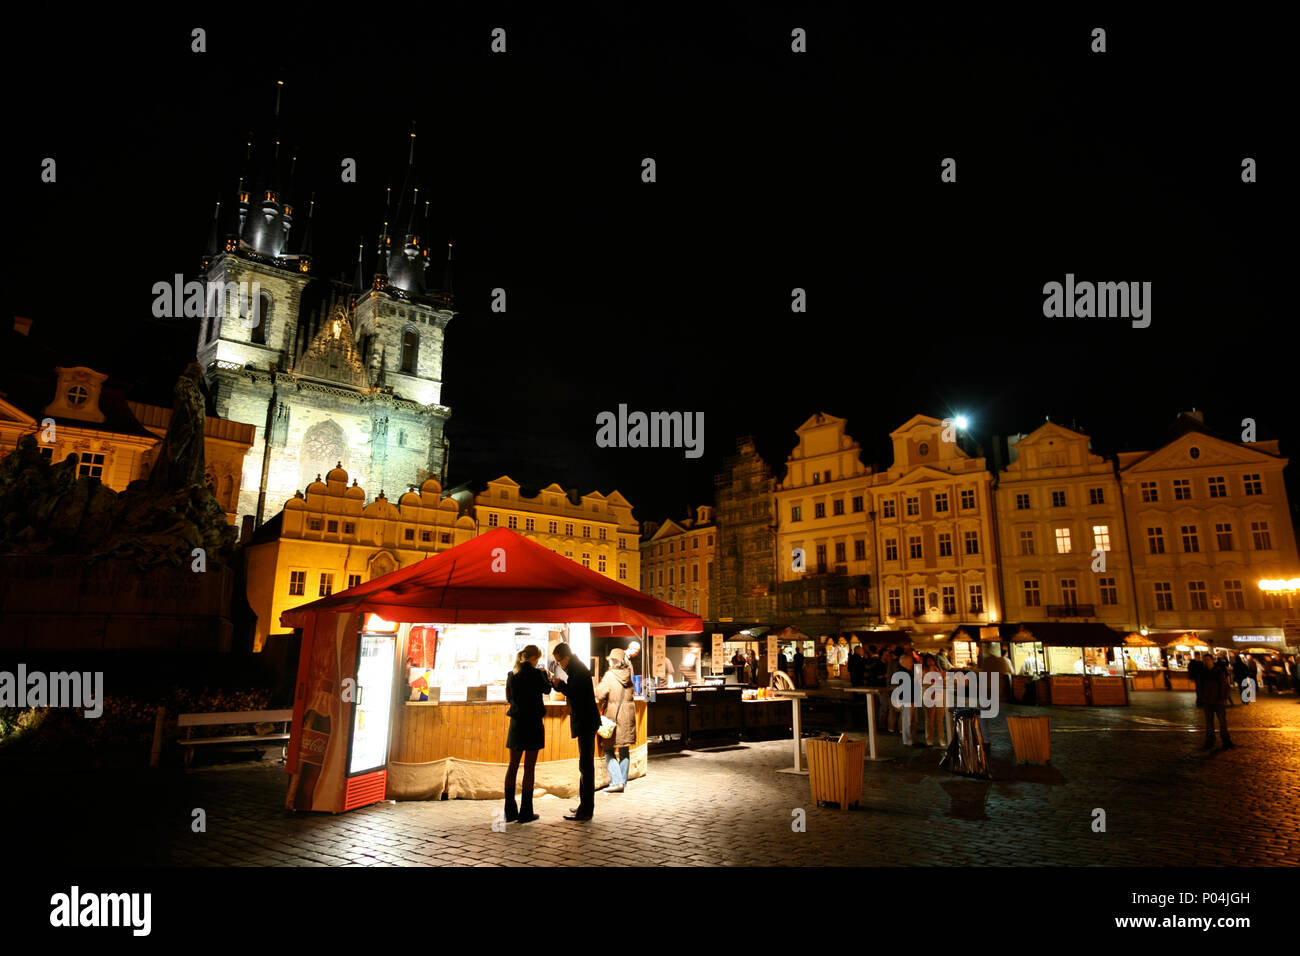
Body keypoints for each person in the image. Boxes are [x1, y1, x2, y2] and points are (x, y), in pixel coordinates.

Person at [550, 643, 601, 821]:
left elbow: (575, 694)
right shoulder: (577, 669)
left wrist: (560, 685)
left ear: (566, 657)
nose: (559, 664)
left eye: (559, 661)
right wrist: (559, 685)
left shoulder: (578, 671)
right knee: (584, 765)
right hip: (587, 722)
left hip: (586, 722)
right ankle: (584, 806)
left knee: (586, 766)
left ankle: (586, 810)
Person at [503, 645, 552, 824]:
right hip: (533, 724)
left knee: (513, 766)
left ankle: (509, 810)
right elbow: (548, 690)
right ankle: (526, 811)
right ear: (534, 658)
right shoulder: (537, 674)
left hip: (516, 724)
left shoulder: (512, 675)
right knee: (529, 768)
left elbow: (508, 697)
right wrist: (546, 675)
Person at [595, 648, 636, 793]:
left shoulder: (610, 675)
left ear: (613, 661)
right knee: (624, 749)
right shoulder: (629, 675)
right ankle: (622, 782)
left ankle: (617, 782)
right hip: (628, 717)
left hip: (614, 716)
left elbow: (599, 694)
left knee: (608, 750)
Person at [1195, 652, 1234, 750]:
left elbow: (1224, 686)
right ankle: (1210, 741)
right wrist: (1201, 697)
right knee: (1209, 723)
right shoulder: (1202, 673)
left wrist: (1222, 698)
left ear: (1212, 660)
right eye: (1204, 660)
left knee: (1222, 722)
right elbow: (1199, 687)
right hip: (1207, 701)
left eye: (1208, 660)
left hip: (1218, 701)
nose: (1206, 662)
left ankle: (1226, 741)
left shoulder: (1218, 671)